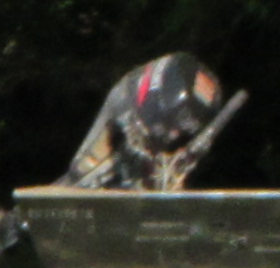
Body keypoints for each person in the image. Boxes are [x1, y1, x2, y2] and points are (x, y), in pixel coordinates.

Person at [62, 52, 237, 193]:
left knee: (155, 179)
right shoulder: (131, 110)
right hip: (126, 114)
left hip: (142, 130)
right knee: (85, 172)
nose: (175, 134)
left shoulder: (179, 125)